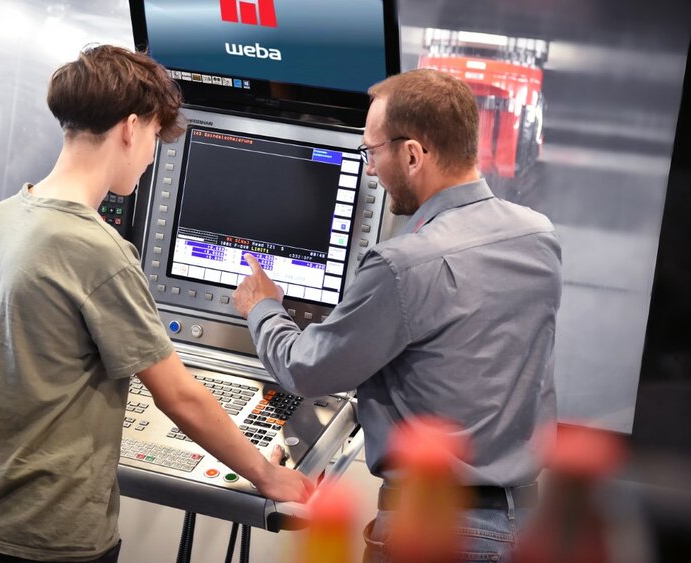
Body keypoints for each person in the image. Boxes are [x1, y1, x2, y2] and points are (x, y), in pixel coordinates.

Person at [0, 44, 313, 563]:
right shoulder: (97, 249)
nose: (151, 156)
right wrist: (266, 473)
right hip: (44, 532)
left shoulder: (2, 217)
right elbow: (180, 397)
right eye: (152, 137)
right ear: (129, 128)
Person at [233, 68, 562, 561]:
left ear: (412, 154)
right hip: (526, 527)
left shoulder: (403, 265)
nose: (368, 168)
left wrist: (262, 307)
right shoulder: (538, 237)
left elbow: (306, 368)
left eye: (372, 152)